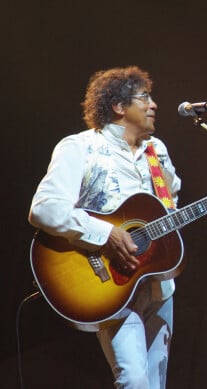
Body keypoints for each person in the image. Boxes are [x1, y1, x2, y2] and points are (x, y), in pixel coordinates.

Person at [29, 66, 181, 388]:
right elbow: (44, 209)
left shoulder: (158, 152)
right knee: (135, 380)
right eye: (145, 97)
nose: (154, 105)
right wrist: (106, 234)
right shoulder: (79, 147)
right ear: (118, 106)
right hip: (106, 281)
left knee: (156, 382)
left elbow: (169, 208)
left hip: (157, 280)